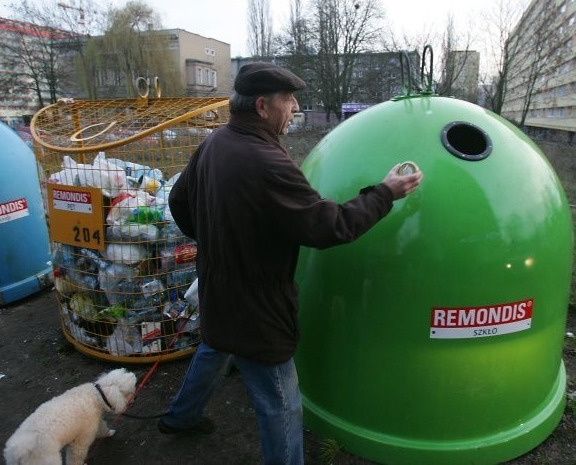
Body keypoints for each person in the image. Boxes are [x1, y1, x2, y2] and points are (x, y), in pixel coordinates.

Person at [159, 62, 423, 464]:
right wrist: (385, 193)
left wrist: (219, 245)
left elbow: (179, 203)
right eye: (289, 99)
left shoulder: (215, 143)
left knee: (214, 348)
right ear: (263, 106)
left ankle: (179, 418)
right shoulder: (268, 163)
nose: (295, 107)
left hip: (218, 291)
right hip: (259, 310)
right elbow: (328, 226)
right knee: (281, 404)